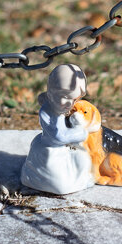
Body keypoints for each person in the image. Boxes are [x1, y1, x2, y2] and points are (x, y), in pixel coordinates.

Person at [20, 64, 96, 194]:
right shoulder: (47, 112)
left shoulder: (62, 109)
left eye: (76, 99)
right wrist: (81, 132)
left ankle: (81, 180)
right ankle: (34, 179)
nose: (70, 104)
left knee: (83, 159)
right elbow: (59, 136)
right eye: (66, 97)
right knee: (61, 186)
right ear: (50, 93)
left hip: (66, 148)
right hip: (50, 151)